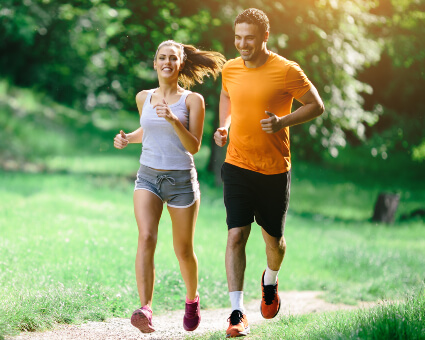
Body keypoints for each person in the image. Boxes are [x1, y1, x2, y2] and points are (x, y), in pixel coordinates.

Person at [213, 8, 325, 338]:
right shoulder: (230, 69)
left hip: (274, 170)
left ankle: (270, 281)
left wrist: (281, 122)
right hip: (237, 164)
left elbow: (316, 105)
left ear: (265, 36)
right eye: (237, 38)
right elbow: (226, 95)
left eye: (249, 38)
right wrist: (224, 125)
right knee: (236, 234)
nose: (242, 44)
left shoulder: (287, 70)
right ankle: (236, 312)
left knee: (274, 241)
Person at [114, 40, 225, 333]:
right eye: (161, 57)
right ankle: (145, 309)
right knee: (147, 236)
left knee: (183, 250)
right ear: (155, 63)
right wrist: (128, 138)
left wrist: (175, 119)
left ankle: (191, 300)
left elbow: (195, 145)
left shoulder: (192, 101)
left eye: (172, 58)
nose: (166, 62)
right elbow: (147, 131)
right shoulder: (143, 97)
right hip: (148, 176)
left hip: (181, 181)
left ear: (180, 63)